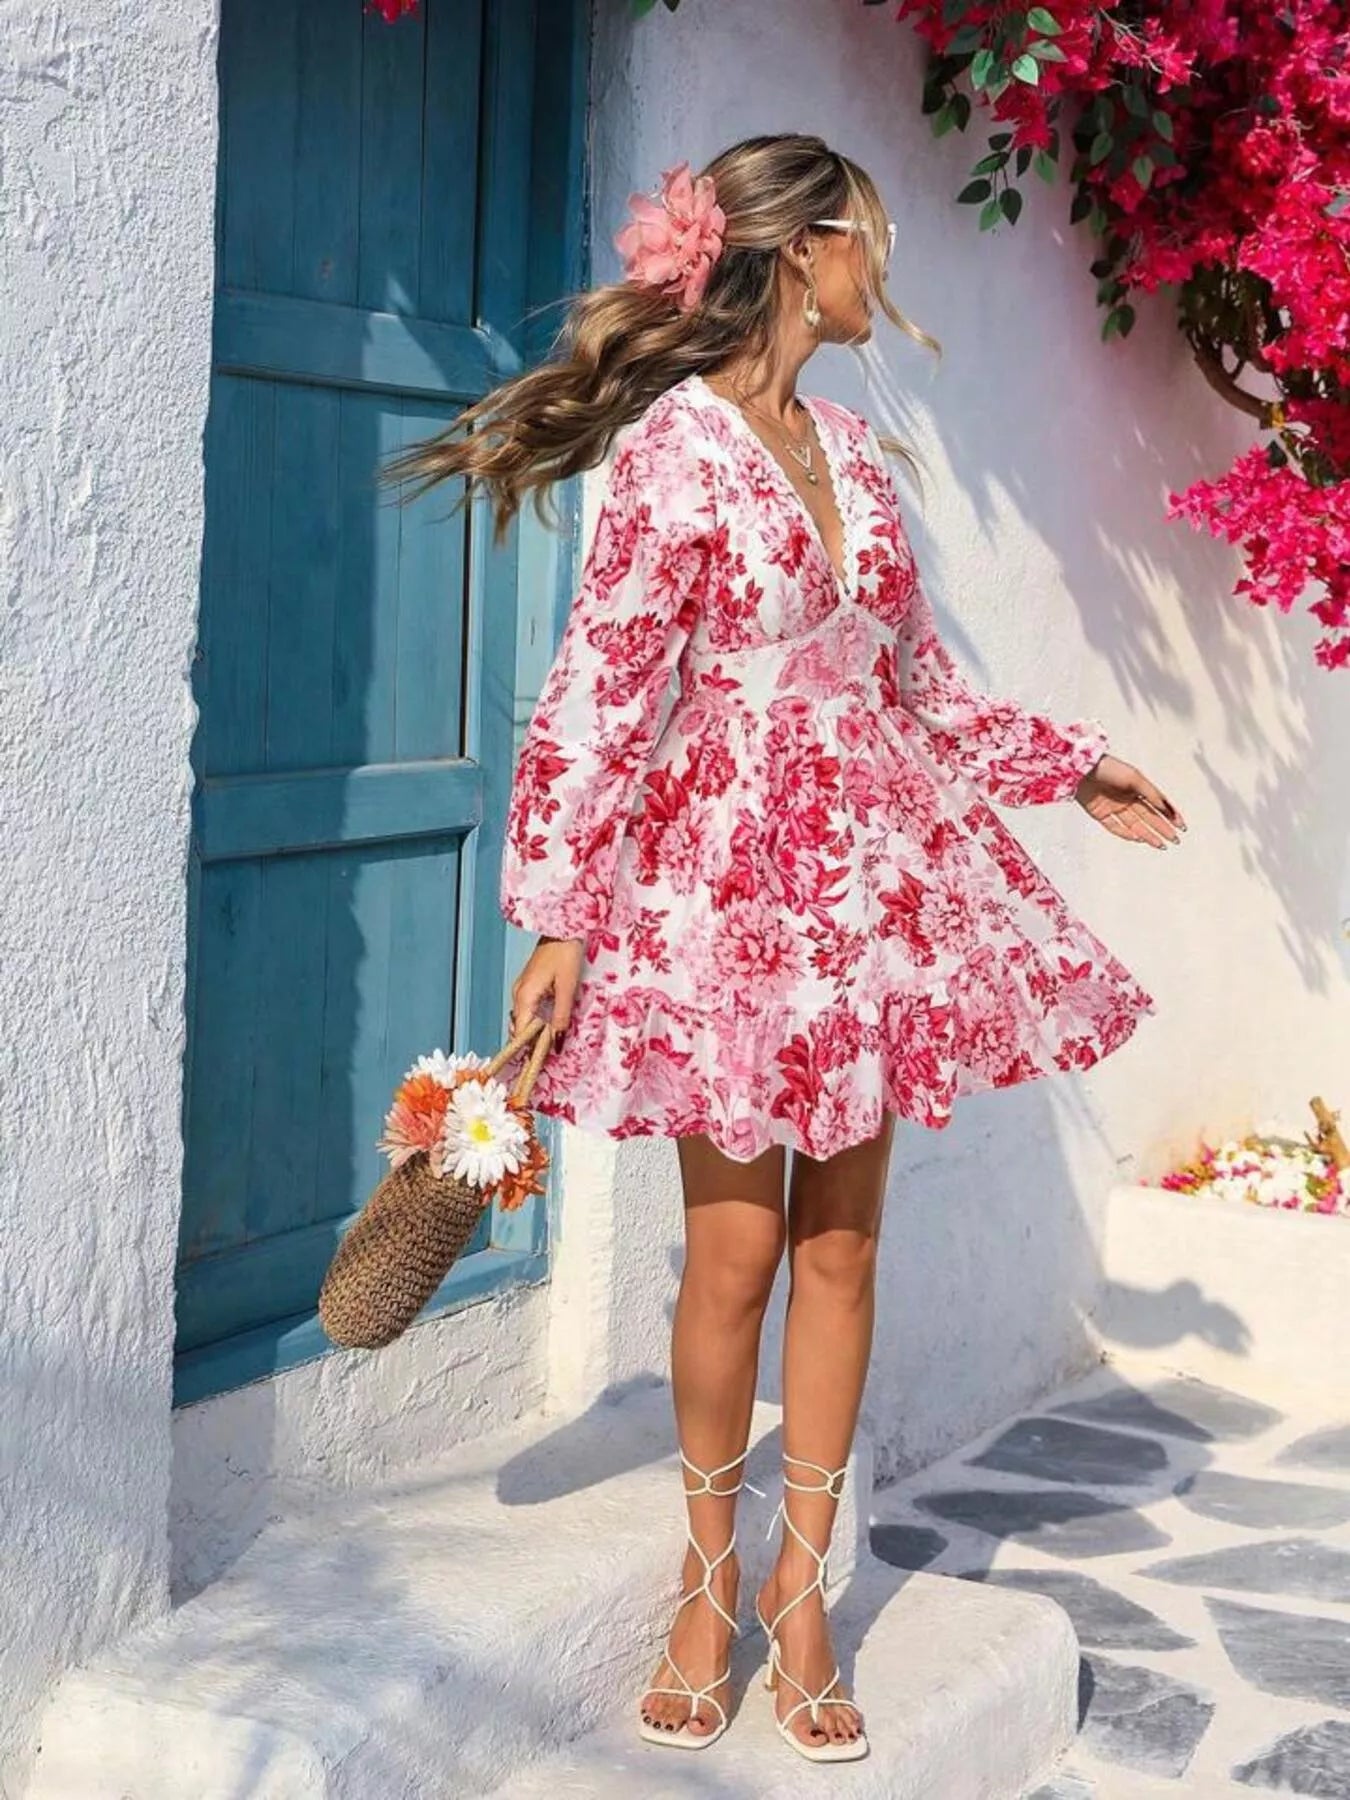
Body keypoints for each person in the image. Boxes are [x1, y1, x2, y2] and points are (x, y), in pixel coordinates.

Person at [379, 132, 1184, 1766]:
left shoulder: (855, 453)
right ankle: (704, 1585)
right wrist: (555, 910)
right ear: (808, 247)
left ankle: (805, 1594)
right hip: (721, 894)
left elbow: (916, 686)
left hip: (868, 897)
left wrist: (1068, 761)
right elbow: (602, 682)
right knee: (734, 1257)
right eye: (870, 238)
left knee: (842, 1253)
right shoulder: (673, 453)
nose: (882, 267)